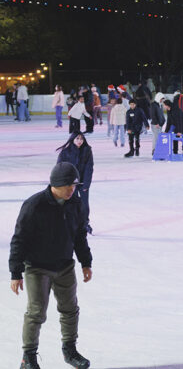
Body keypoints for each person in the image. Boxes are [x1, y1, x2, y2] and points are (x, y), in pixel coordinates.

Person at [9, 162, 93, 369]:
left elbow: (79, 234)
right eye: (68, 185)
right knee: (36, 312)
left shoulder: (75, 203)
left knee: (70, 310)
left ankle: (70, 350)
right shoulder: (34, 205)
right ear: (56, 184)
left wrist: (85, 262)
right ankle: (28, 357)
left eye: (74, 185)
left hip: (64, 265)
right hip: (37, 267)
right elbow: (19, 239)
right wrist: (15, 272)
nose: (71, 190)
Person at [56, 134, 94, 235]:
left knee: (84, 205)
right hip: (70, 184)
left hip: (82, 183)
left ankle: (85, 223)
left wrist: (86, 184)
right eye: (77, 138)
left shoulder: (87, 150)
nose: (79, 141)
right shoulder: (65, 152)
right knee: (71, 205)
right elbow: (59, 167)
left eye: (81, 139)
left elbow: (89, 168)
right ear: (73, 139)